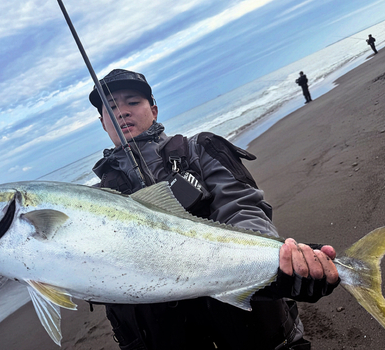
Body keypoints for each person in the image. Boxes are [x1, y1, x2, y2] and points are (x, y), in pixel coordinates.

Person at [89, 69, 340, 350]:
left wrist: (275, 266)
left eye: (132, 102)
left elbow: (242, 209)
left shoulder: (199, 150)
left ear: (154, 110)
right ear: (102, 123)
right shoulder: (97, 201)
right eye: (110, 107)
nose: (121, 112)